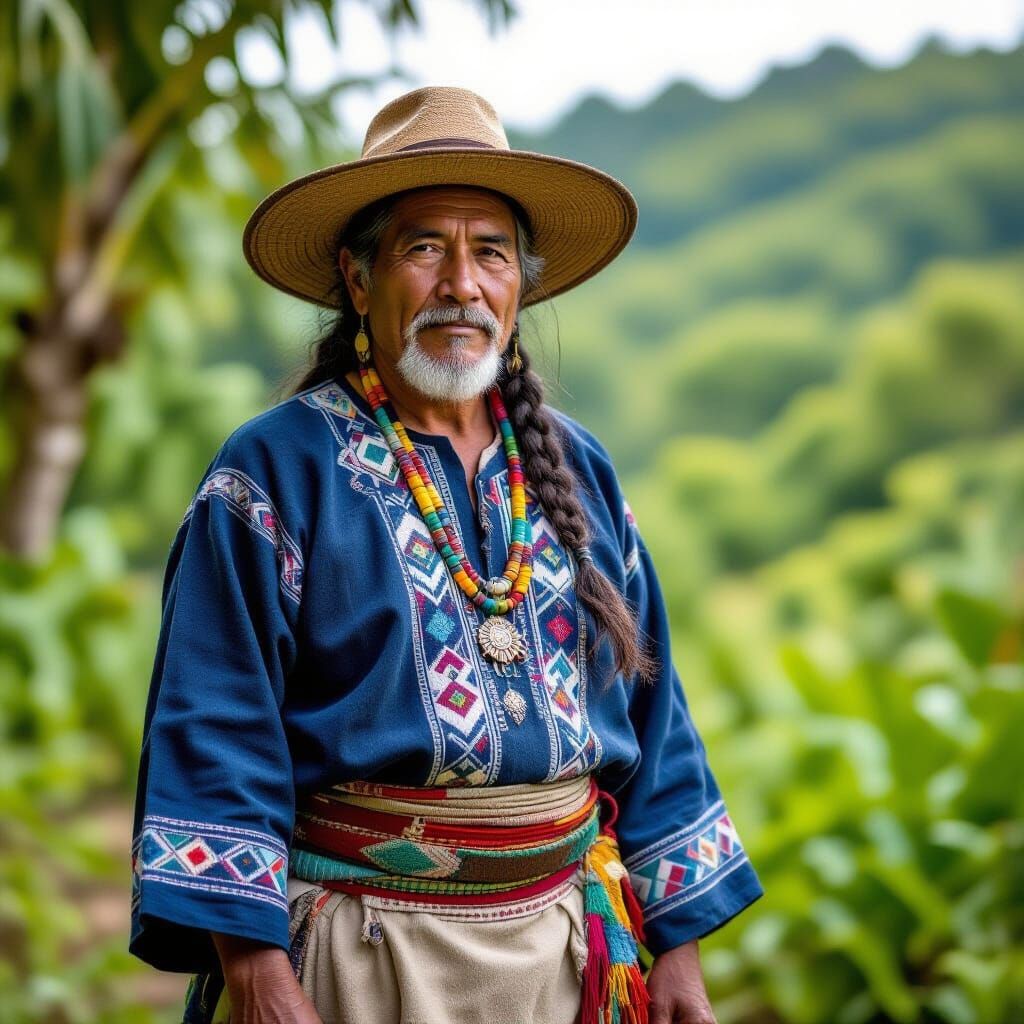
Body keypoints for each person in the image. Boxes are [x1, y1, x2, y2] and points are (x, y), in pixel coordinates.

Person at [129, 86, 763, 1024]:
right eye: (425, 247)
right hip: (356, 952)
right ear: (358, 278)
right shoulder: (273, 470)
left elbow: (651, 715)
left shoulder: (578, 470)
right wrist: (259, 974)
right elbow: (216, 726)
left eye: (491, 253)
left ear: (520, 288)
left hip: (569, 949)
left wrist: (679, 951)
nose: (461, 283)